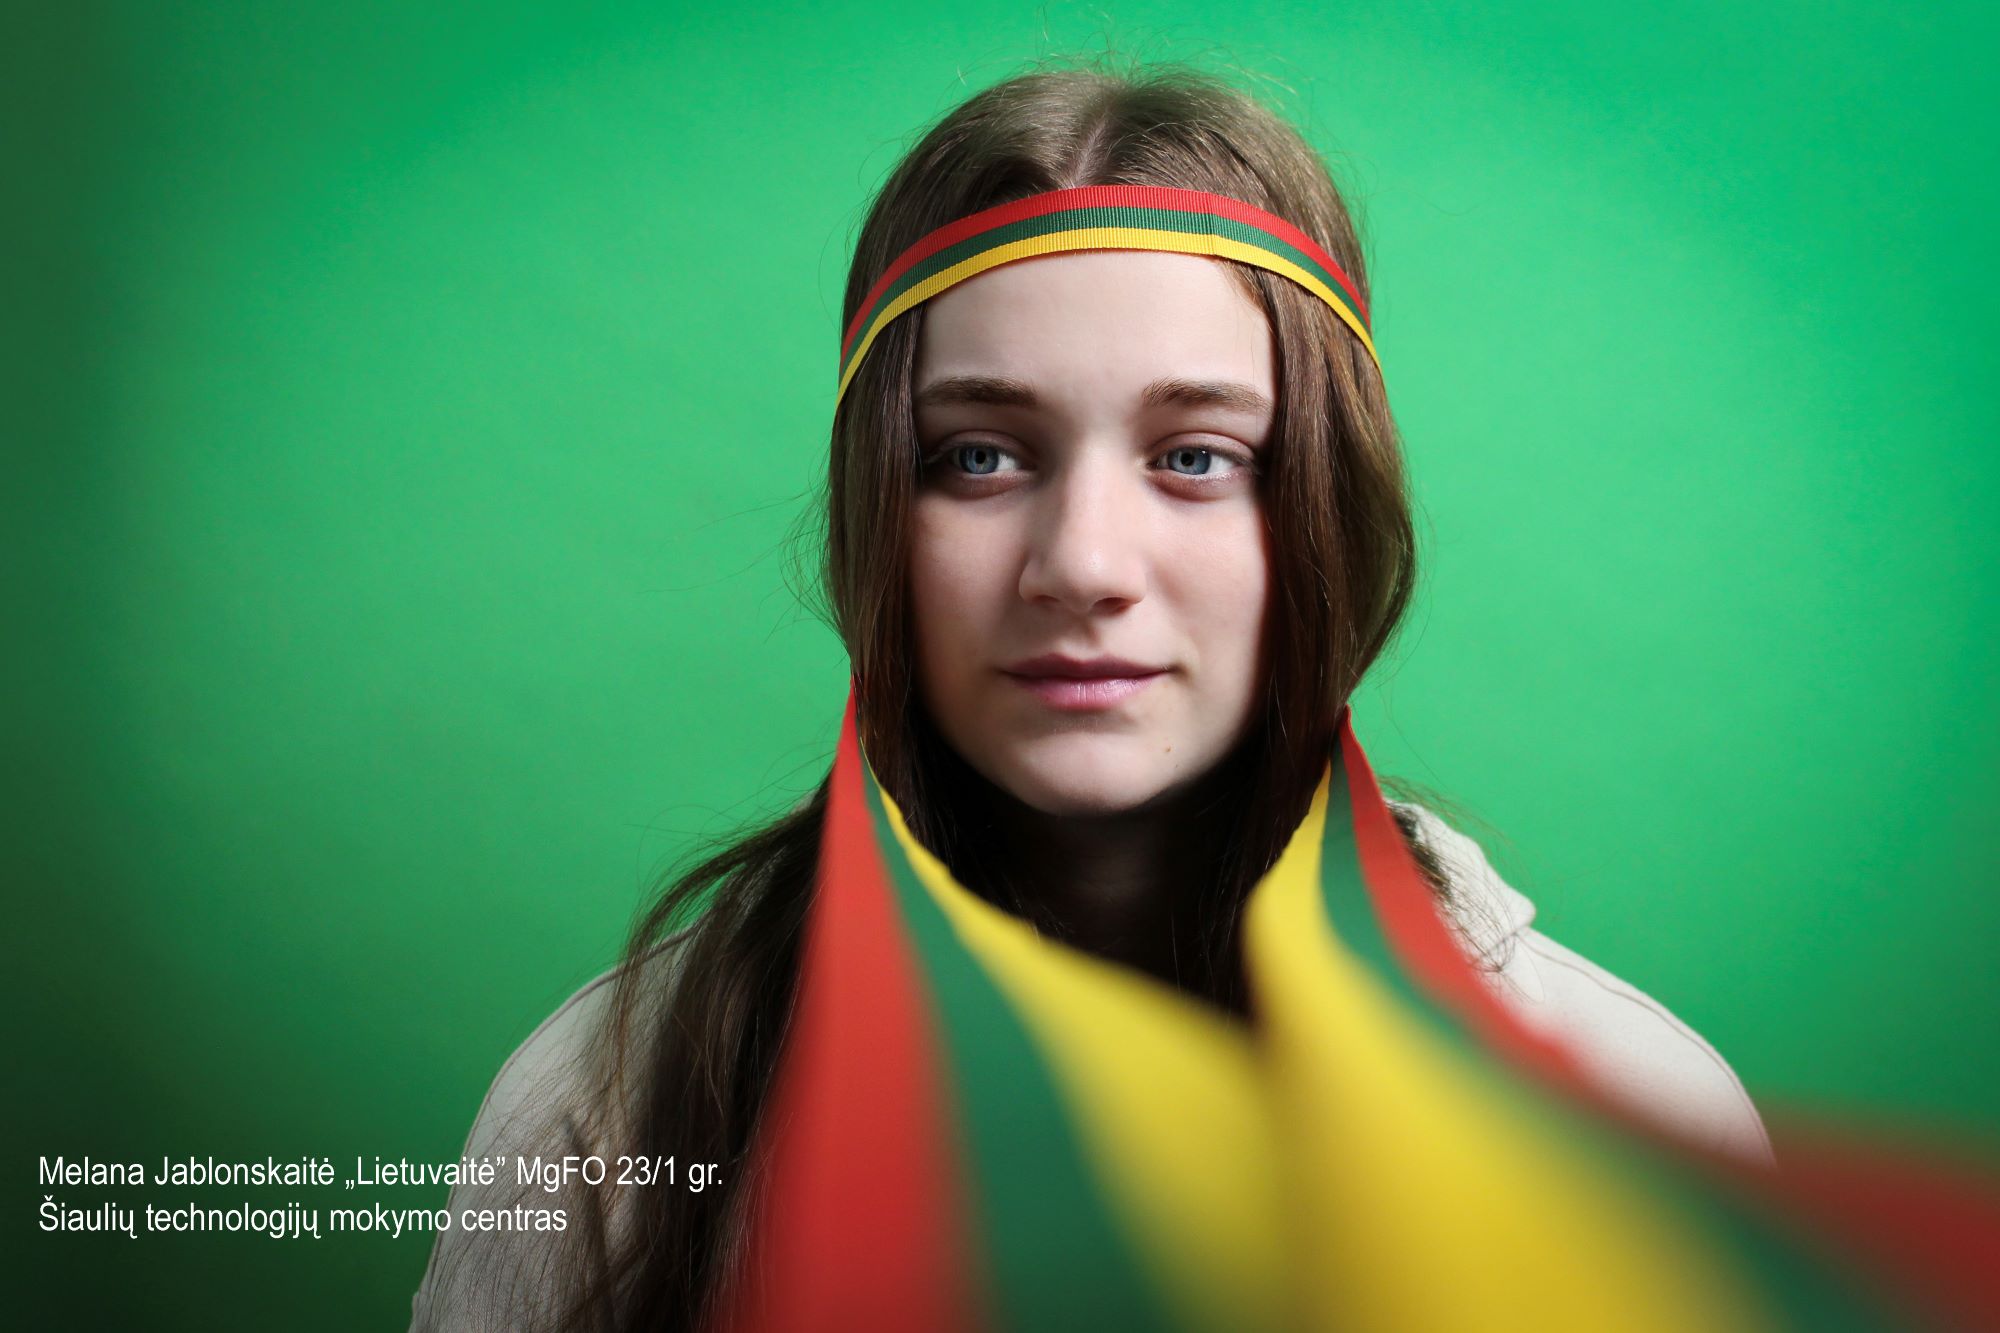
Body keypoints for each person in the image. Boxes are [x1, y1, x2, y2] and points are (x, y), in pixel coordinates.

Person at [409, 59, 1770, 1333]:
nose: (1083, 566)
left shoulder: (1639, 1126)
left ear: (1323, 506)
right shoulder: (599, 1123)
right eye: (980, 456)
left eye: (1196, 456)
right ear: (880, 510)